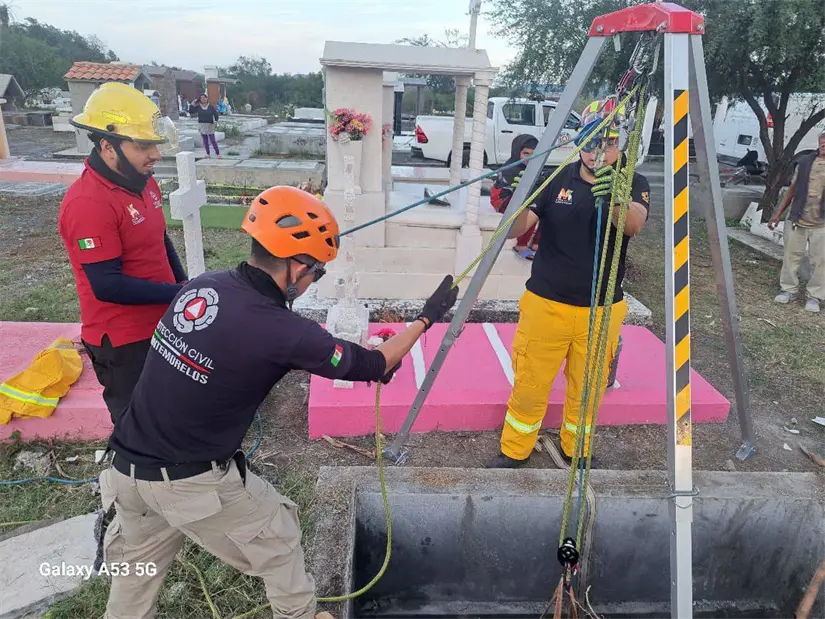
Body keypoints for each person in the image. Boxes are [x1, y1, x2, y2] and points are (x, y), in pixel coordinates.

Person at [98, 186, 459, 619]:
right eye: (316, 274)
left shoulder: (202, 287)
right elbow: (374, 364)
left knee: (135, 577)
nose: (311, 283)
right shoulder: (283, 330)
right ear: (297, 266)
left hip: (125, 469)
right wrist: (426, 318)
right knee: (279, 538)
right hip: (187, 481)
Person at [486, 107, 651, 468]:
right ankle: (515, 450)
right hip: (546, 305)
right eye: (590, 143)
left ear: (620, 144)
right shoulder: (555, 178)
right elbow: (516, 230)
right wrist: (512, 200)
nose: (598, 153)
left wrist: (616, 197)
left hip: (602, 310)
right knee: (530, 384)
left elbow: (634, 225)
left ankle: (576, 449)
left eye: (608, 144)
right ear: (579, 143)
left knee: (588, 390)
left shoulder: (633, 182)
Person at [58, 82, 186, 424]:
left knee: (171, 410)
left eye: (155, 144)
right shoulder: (89, 202)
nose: (155, 154)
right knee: (136, 422)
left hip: (162, 321)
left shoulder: (144, 181)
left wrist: (183, 285)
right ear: (107, 146)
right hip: (123, 340)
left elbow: (160, 240)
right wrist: (178, 293)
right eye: (143, 146)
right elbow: (108, 285)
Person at [769, 131, 825, 313]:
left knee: (821, 262)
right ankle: (788, 290)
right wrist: (777, 214)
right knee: (790, 257)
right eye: (823, 140)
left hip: (821, 224)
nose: (824, 143)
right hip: (797, 219)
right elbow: (792, 190)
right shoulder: (804, 162)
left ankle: (814, 297)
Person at [491, 134, 540, 260]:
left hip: (519, 197)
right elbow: (520, 192)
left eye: (534, 153)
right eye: (526, 153)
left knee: (546, 207)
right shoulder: (512, 168)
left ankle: (536, 243)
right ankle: (521, 245)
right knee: (531, 209)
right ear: (517, 152)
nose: (530, 157)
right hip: (502, 199)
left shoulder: (532, 166)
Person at [189, 93, 221, 158]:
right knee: (205, 141)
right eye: (201, 98)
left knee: (213, 140)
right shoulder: (198, 107)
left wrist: (215, 121)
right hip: (202, 125)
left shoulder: (211, 107)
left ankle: (218, 153)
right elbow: (191, 111)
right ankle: (208, 153)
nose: (203, 99)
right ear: (200, 99)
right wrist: (192, 103)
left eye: (204, 97)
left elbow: (216, 114)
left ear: (207, 98)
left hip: (210, 125)